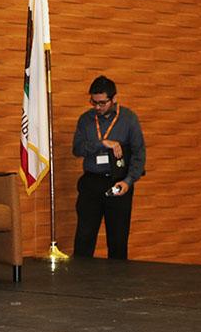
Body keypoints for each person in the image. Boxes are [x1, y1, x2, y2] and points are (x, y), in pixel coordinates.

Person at [72, 75, 145, 260]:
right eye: (93, 102)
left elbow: (139, 154)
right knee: (84, 237)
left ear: (114, 99)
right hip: (91, 183)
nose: (97, 107)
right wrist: (101, 143)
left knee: (118, 240)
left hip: (118, 183)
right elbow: (77, 149)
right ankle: (79, 282)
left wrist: (128, 182)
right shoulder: (86, 120)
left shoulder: (129, 119)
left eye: (102, 103)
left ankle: (118, 286)